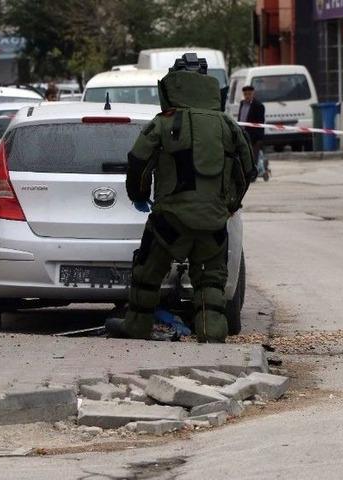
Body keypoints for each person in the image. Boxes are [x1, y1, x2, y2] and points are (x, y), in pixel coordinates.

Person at [105, 53, 255, 343]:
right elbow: (247, 169)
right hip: (213, 222)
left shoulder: (164, 122)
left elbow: (138, 160)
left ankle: (137, 326)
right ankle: (211, 333)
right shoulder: (226, 125)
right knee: (211, 279)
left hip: (169, 220)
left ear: (173, 83)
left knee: (148, 272)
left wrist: (138, 195)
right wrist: (229, 205)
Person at [238, 85, 267, 180]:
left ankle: (253, 175)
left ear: (253, 94)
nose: (247, 96)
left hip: (254, 137)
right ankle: (246, 173)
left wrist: (259, 139)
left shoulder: (258, 106)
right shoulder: (242, 104)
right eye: (245, 94)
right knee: (244, 156)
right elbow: (240, 118)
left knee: (254, 157)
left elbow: (261, 124)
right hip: (243, 135)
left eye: (249, 94)